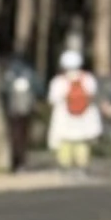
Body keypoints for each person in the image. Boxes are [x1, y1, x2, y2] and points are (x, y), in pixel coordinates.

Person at [45, 44, 102, 172]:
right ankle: (82, 165)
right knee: (82, 142)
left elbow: (52, 99)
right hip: (84, 117)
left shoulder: (58, 81)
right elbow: (93, 95)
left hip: (64, 118)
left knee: (65, 142)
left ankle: (65, 165)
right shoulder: (88, 79)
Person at [0, 52, 40, 173]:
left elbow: (2, 90)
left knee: (14, 136)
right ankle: (21, 162)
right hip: (26, 110)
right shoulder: (30, 74)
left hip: (12, 110)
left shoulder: (9, 74)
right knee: (23, 136)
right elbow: (39, 89)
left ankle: (15, 162)